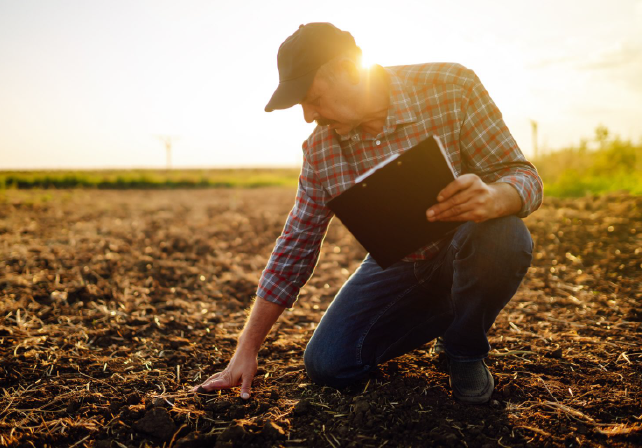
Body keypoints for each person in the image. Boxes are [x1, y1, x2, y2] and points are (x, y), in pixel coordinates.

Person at [195, 22, 543, 404]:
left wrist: (498, 195)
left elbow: (522, 174)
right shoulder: (320, 151)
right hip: (400, 264)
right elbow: (296, 243)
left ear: (346, 70)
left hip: (470, 243)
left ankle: (463, 347)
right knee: (328, 365)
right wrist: (247, 348)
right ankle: (450, 310)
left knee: (505, 235)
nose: (309, 115)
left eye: (313, 97)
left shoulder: (451, 87)